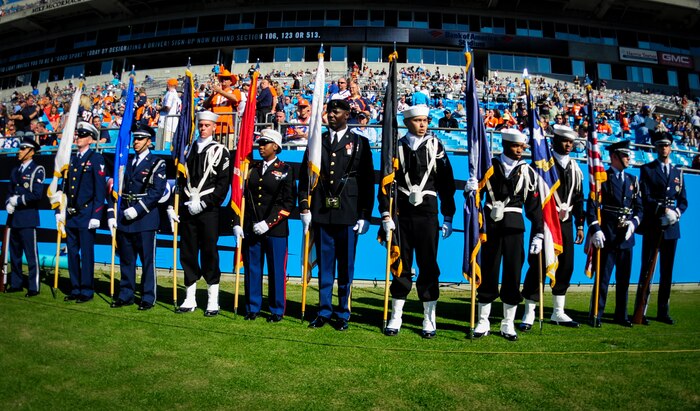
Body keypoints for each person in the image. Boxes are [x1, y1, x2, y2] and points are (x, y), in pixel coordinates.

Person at [379, 105, 456, 339]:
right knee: (401, 264)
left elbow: (446, 183)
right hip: (402, 214)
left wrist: (448, 215)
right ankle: (396, 316)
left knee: (428, 265)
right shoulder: (397, 147)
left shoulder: (436, 146)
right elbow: (386, 183)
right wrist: (385, 214)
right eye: (417, 121)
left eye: (425, 120)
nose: (423, 125)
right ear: (407, 122)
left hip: (428, 214)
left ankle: (428, 317)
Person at [297, 99, 374, 331]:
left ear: (347, 114)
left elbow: (367, 181)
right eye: (329, 112)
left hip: (348, 214)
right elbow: (305, 176)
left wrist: (364, 214)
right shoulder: (317, 142)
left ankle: (343, 312)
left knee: (345, 267)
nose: (331, 115)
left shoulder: (360, 143)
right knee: (325, 267)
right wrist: (304, 206)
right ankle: (323, 311)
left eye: (336, 112)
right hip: (322, 211)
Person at [468, 129, 543, 341]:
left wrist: (538, 233)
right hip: (490, 227)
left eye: (522, 147)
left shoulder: (528, 172)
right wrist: (471, 189)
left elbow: (535, 206)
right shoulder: (488, 166)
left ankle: (507, 323)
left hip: (514, 228)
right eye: (516, 146)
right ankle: (483, 321)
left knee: (513, 274)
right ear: (505, 145)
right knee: (488, 272)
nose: (520, 150)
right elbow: (475, 196)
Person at [167, 111, 231, 316]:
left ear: (214, 127)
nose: (202, 128)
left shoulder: (221, 151)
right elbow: (178, 180)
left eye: (206, 125)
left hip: (208, 211)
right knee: (188, 252)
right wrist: (172, 206)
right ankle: (190, 298)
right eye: (200, 125)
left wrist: (204, 204)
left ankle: (213, 300)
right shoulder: (187, 150)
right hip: (187, 208)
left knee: (210, 252)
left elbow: (223, 185)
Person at [520, 125, 584, 330]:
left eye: (571, 142)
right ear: (554, 141)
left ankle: (558, 311)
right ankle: (529, 312)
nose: (568, 145)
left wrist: (580, 225)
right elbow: (532, 197)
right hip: (545, 222)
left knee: (566, 265)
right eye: (564, 141)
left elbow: (579, 199)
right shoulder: (541, 165)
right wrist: (538, 220)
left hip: (565, 224)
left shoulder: (576, 168)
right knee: (537, 264)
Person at [233, 129, 295, 322]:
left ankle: (277, 310)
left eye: (265, 143)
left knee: (276, 271)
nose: (260, 147)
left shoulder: (285, 169)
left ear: (275, 146)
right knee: (253, 268)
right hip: (253, 227)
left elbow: (287, 204)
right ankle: (253, 307)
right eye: (259, 143)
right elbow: (242, 197)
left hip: (275, 230)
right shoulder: (251, 168)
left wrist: (268, 224)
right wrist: (238, 222)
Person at [108, 125, 167, 310]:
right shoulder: (127, 162)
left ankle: (148, 297)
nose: (136, 142)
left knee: (147, 260)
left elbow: (156, 191)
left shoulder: (157, 163)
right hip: (126, 216)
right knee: (127, 260)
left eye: (140, 139)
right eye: (135, 139)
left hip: (145, 218)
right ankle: (126, 294)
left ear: (149, 141)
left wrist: (138, 209)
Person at [634, 131, 688, 325]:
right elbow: (644, 197)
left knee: (667, 272)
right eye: (659, 145)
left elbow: (683, 201)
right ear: (655, 148)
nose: (663, 148)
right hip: (654, 225)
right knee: (647, 268)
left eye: (666, 145)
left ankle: (663, 311)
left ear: (671, 148)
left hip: (672, 227)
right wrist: (661, 210)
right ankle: (641, 309)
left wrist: (676, 214)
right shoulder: (647, 170)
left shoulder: (678, 172)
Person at [587, 140, 643, 328]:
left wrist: (633, 224)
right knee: (603, 279)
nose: (628, 158)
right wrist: (595, 228)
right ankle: (596, 313)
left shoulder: (632, 181)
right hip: (608, 235)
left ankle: (621, 315)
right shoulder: (602, 178)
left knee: (624, 279)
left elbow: (639, 209)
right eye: (625, 155)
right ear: (614, 157)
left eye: (628, 155)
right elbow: (592, 206)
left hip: (626, 237)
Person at [59, 122, 107, 303]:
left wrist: (96, 215)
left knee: (86, 254)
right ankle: (75, 287)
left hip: (87, 213)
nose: (78, 138)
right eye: (78, 135)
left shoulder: (96, 159)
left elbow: (99, 190)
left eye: (82, 135)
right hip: (72, 214)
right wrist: (61, 209)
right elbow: (66, 187)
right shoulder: (73, 159)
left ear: (90, 139)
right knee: (71, 252)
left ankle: (86, 290)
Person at [4, 137, 44, 296]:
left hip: (27, 218)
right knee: (15, 253)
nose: (19, 152)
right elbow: (10, 190)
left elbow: (36, 194)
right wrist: (8, 201)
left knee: (31, 254)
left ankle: (34, 287)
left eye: (22, 149)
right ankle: (16, 283)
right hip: (14, 218)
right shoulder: (16, 170)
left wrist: (17, 200)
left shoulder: (37, 169)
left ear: (31, 151)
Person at [204, 69, 239, 139]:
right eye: (222, 78)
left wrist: (220, 91)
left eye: (226, 79)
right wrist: (211, 96)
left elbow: (235, 99)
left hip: (228, 128)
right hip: (215, 128)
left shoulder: (235, 91)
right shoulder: (215, 94)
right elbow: (205, 105)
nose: (224, 80)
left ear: (231, 81)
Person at [159, 78, 181, 143]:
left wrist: (159, 108)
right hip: (173, 124)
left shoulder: (170, 93)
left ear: (168, 85)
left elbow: (167, 107)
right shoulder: (177, 97)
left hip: (166, 124)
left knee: (162, 145)